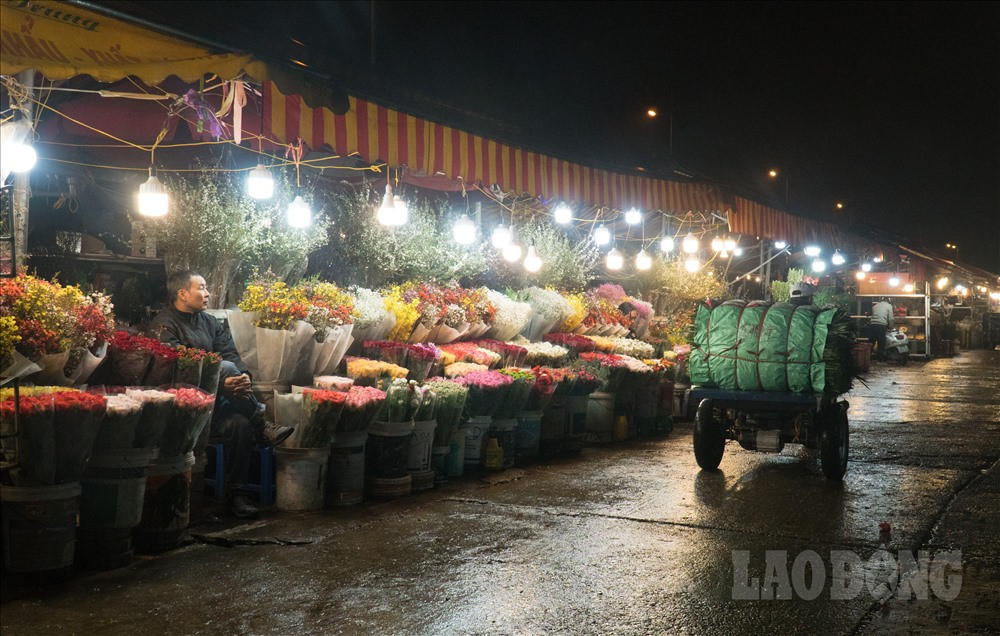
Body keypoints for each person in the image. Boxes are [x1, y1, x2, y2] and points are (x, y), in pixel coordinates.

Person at [149, 271, 293, 519]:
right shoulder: (164, 325)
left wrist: (243, 376)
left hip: (215, 406)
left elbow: (230, 353)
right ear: (182, 294)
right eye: (201, 288)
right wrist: (219, 381)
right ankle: (261, 422)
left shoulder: (209, 322)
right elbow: (175, 368)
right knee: (223, 368)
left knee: (240, 423)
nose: (207, 293)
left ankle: (237, 495)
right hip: (183, 407)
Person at [869, 296, 894, 361]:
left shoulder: (875, 306)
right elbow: (891, 318)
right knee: (881, 343)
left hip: (872, 325)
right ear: (888, 300)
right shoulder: (889, 306)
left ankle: (867, 358)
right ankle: (880, 360)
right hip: (881, 325)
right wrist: (890, 327)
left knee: (871, 342)